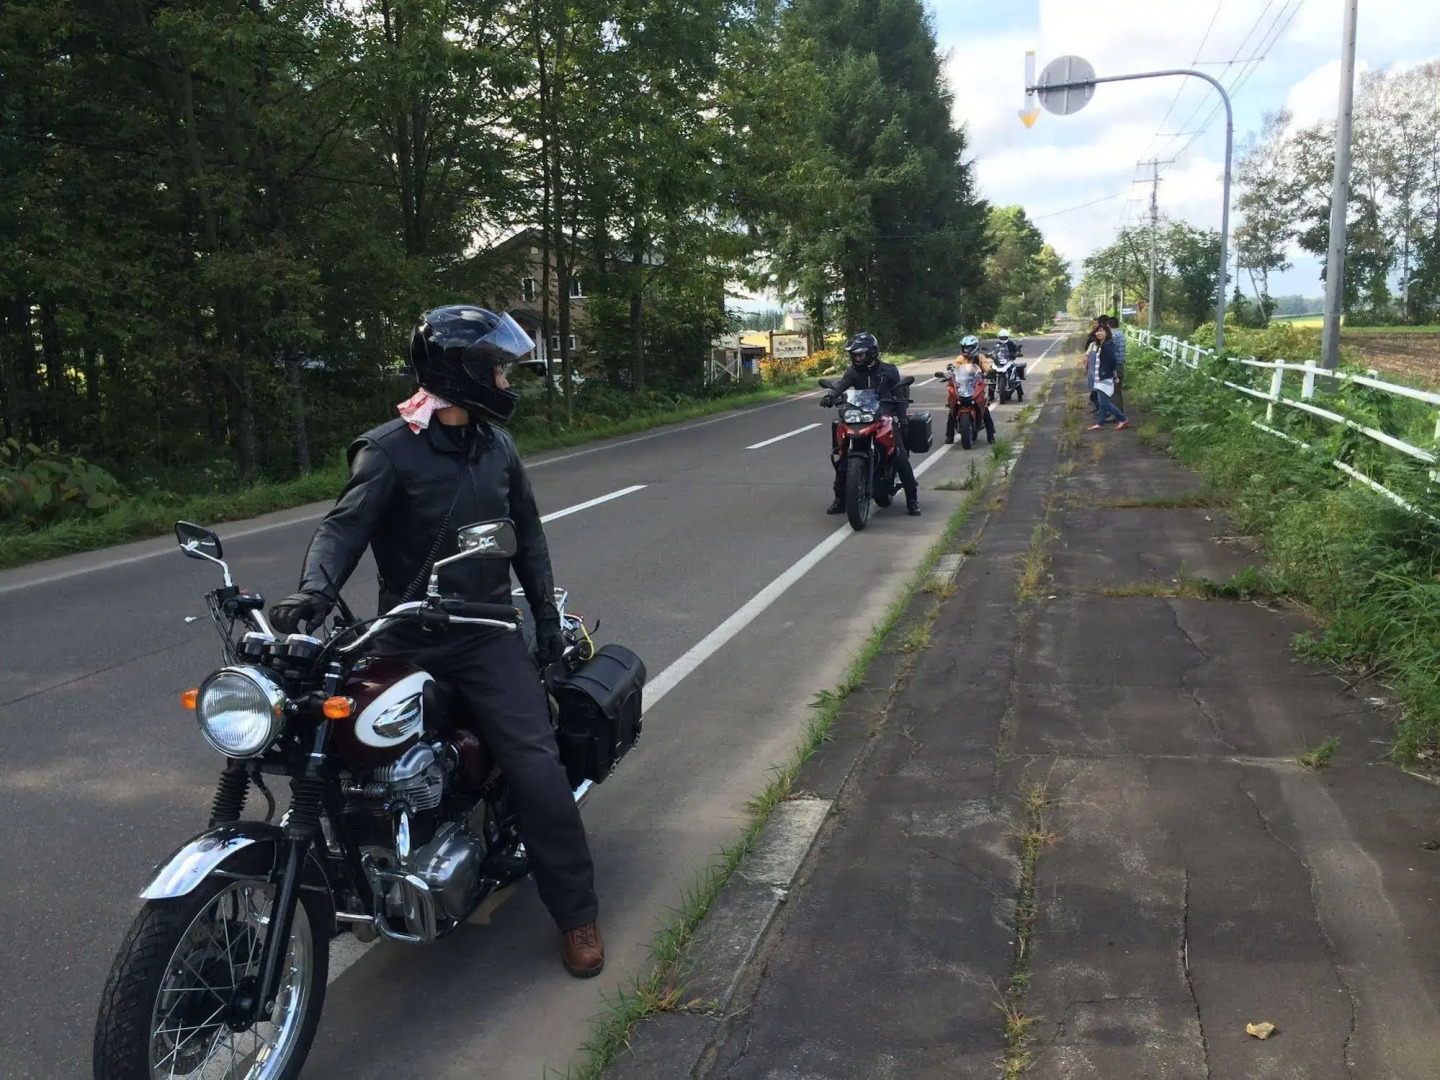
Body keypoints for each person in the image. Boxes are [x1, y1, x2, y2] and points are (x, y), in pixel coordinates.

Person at [268, 305, 606, 978]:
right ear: (465, 373)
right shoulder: (388, 450)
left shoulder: (496, 446)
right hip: (404, 635)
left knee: (536, 766)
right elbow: (342, 530)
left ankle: (577, 914)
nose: (507, 382)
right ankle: (364, 877)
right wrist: (312, 593)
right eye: (500, 370)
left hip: (484, 631)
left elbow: (528, 537)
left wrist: (542, 616)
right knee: (339, 745)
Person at [822, 331, 921, 516]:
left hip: (884, 416)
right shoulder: (852, 372)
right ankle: (841, 499)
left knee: (899, 456)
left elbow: (899, 394)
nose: (856, 358)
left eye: (859, 354)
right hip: (862, 414)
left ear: (871, 353)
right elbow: (841, 384)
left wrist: (902, 418)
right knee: (843, 458)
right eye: (854, 355)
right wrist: (830, 395)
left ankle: (912, 500)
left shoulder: (889, 371)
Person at [947, 335, 996, 442]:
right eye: (964, 348)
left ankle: (991, 435)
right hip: (962, 385)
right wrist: (950, 369)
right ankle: (949, 436)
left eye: (968, 348)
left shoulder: (980, 358)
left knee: (985, 408)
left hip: (976, 385)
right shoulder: (961, 358)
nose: (966, 350)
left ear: (974, 347)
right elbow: (955, 366)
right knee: (952, 407)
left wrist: (989, 371)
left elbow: (986, 367)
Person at [1088, 322, 1129, 431]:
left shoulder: (1108, 345)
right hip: (1099, 377)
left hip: (1105, 377)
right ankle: (1101, 423)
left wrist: (1115, 376)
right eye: (1097, 331)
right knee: (1102, 402)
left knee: (1104, 402)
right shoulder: (1101, 345)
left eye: (1102, 331)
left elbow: (1112, 361)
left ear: (1107, 333)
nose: (1099, 333)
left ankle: (1123, 418)